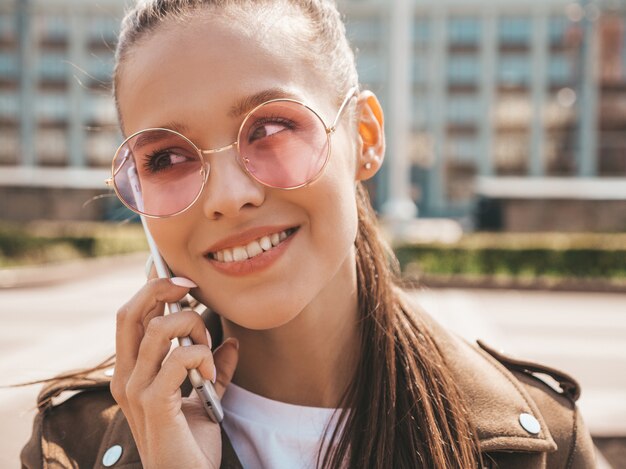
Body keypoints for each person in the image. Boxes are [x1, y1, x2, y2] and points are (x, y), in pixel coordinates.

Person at [21, 1, 596, 468]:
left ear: (365, 136)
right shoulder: (70, 449)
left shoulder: (545, 439)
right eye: (167, 157)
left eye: (271, 127)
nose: (227, 196)